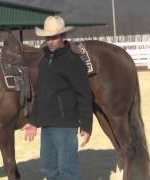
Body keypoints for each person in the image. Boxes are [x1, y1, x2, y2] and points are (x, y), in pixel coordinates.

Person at [23, 15, 93, 180]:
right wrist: (33, 122)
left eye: (54, 37)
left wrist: (87, 125)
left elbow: (84, 94)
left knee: (67, 170)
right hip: (47, 126)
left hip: (65, 125)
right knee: (48, 169)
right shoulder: (45, 60)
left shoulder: (73, 61)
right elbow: (40, 94)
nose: (50, 41)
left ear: (63, 37)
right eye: (48, 38)